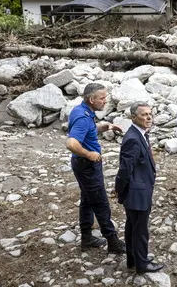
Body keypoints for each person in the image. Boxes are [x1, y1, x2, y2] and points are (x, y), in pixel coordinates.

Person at [66, 83, 126, 253]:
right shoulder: (83, 117)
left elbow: (87, 131)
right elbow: (71, 143)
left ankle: (86, 237)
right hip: (87, 166)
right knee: (100, 202)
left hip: (82, 164)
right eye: (102, 98)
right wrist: (88, 154)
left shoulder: (81, 110)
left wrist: (104, 127)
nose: (105, 101)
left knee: (87, 199)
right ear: (91, 99)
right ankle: (113, 241)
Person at [115, 101, 164, 274]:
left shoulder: (141, 134)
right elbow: (125, 169)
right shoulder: (133, 139)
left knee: (132, 226)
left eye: (150, 113)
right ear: (133, 117)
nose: (149, 117)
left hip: (139, 189)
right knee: (140, 230)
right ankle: (142, 265)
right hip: (137, 192)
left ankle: (133, 259)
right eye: (144, 114)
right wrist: (119, 190)